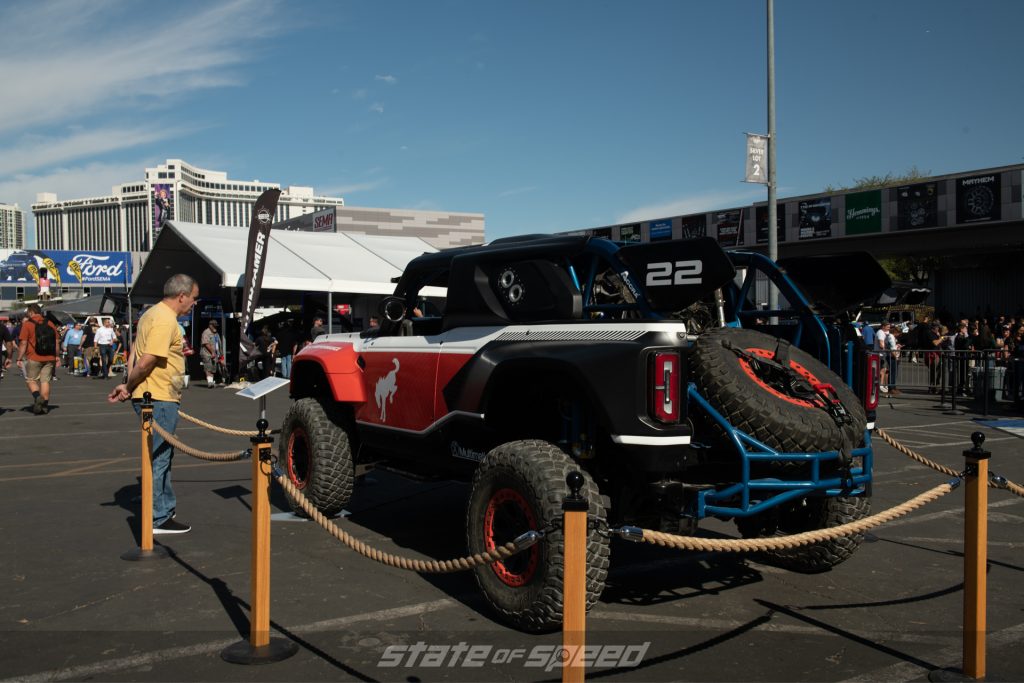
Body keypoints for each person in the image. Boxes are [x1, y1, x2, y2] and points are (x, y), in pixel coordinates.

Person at [108, 274, 198, 535]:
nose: (194, 303)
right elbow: (146, 360)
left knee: (158, 455)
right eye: (193, 298)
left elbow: (134, 351)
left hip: (153, 395)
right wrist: (128, 385)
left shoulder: (150, 314)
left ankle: (160, 506)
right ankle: (158, 516)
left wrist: (129, 383)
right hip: (158, 397)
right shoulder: (163, 319)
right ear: (181, 296)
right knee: (161, 457)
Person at [15, 303, 60, 414]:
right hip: (49, 357)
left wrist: (19, 358)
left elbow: (23, 343)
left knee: (31, 380)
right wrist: (57, 356)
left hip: (34, 357)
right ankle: (44, 405)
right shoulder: (50, 323)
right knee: (45, 381)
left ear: (31, 312)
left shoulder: (27, 324)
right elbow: (57, 341)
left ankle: (37, 397)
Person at [199, 319, 221, 388]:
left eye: (216, 326)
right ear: (210, 325)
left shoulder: (216, 333)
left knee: (213, 368)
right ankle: (210, 382)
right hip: (207, 353)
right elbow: (206, 343)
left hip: (214, 353)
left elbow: (218, 343)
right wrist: (213, 352)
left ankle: (211, 381)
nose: (215, 327)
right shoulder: (206, 332)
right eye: (214, 326)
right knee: (208, 367)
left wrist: (220, 354)